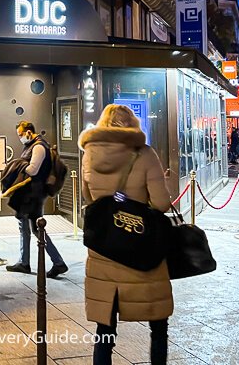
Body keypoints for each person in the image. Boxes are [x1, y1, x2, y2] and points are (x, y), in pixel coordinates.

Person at [78, 104, 172, 365]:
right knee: (158, 325)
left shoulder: (89, 154)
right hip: (141, 250)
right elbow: (162, 204)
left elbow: (89, 198)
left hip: (104, 250)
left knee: (104, 329)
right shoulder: (144, 154)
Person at [5, 121, 68, 278]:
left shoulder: (38, 147)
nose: (20, 137)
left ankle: (57, 262)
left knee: (35, 228)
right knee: (27, 227)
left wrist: (17, 165)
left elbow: (33, 170)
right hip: (30, 194)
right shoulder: (33, 145)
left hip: (33, 194)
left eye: (20, 134)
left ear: (28, 132)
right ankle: (25, 262)